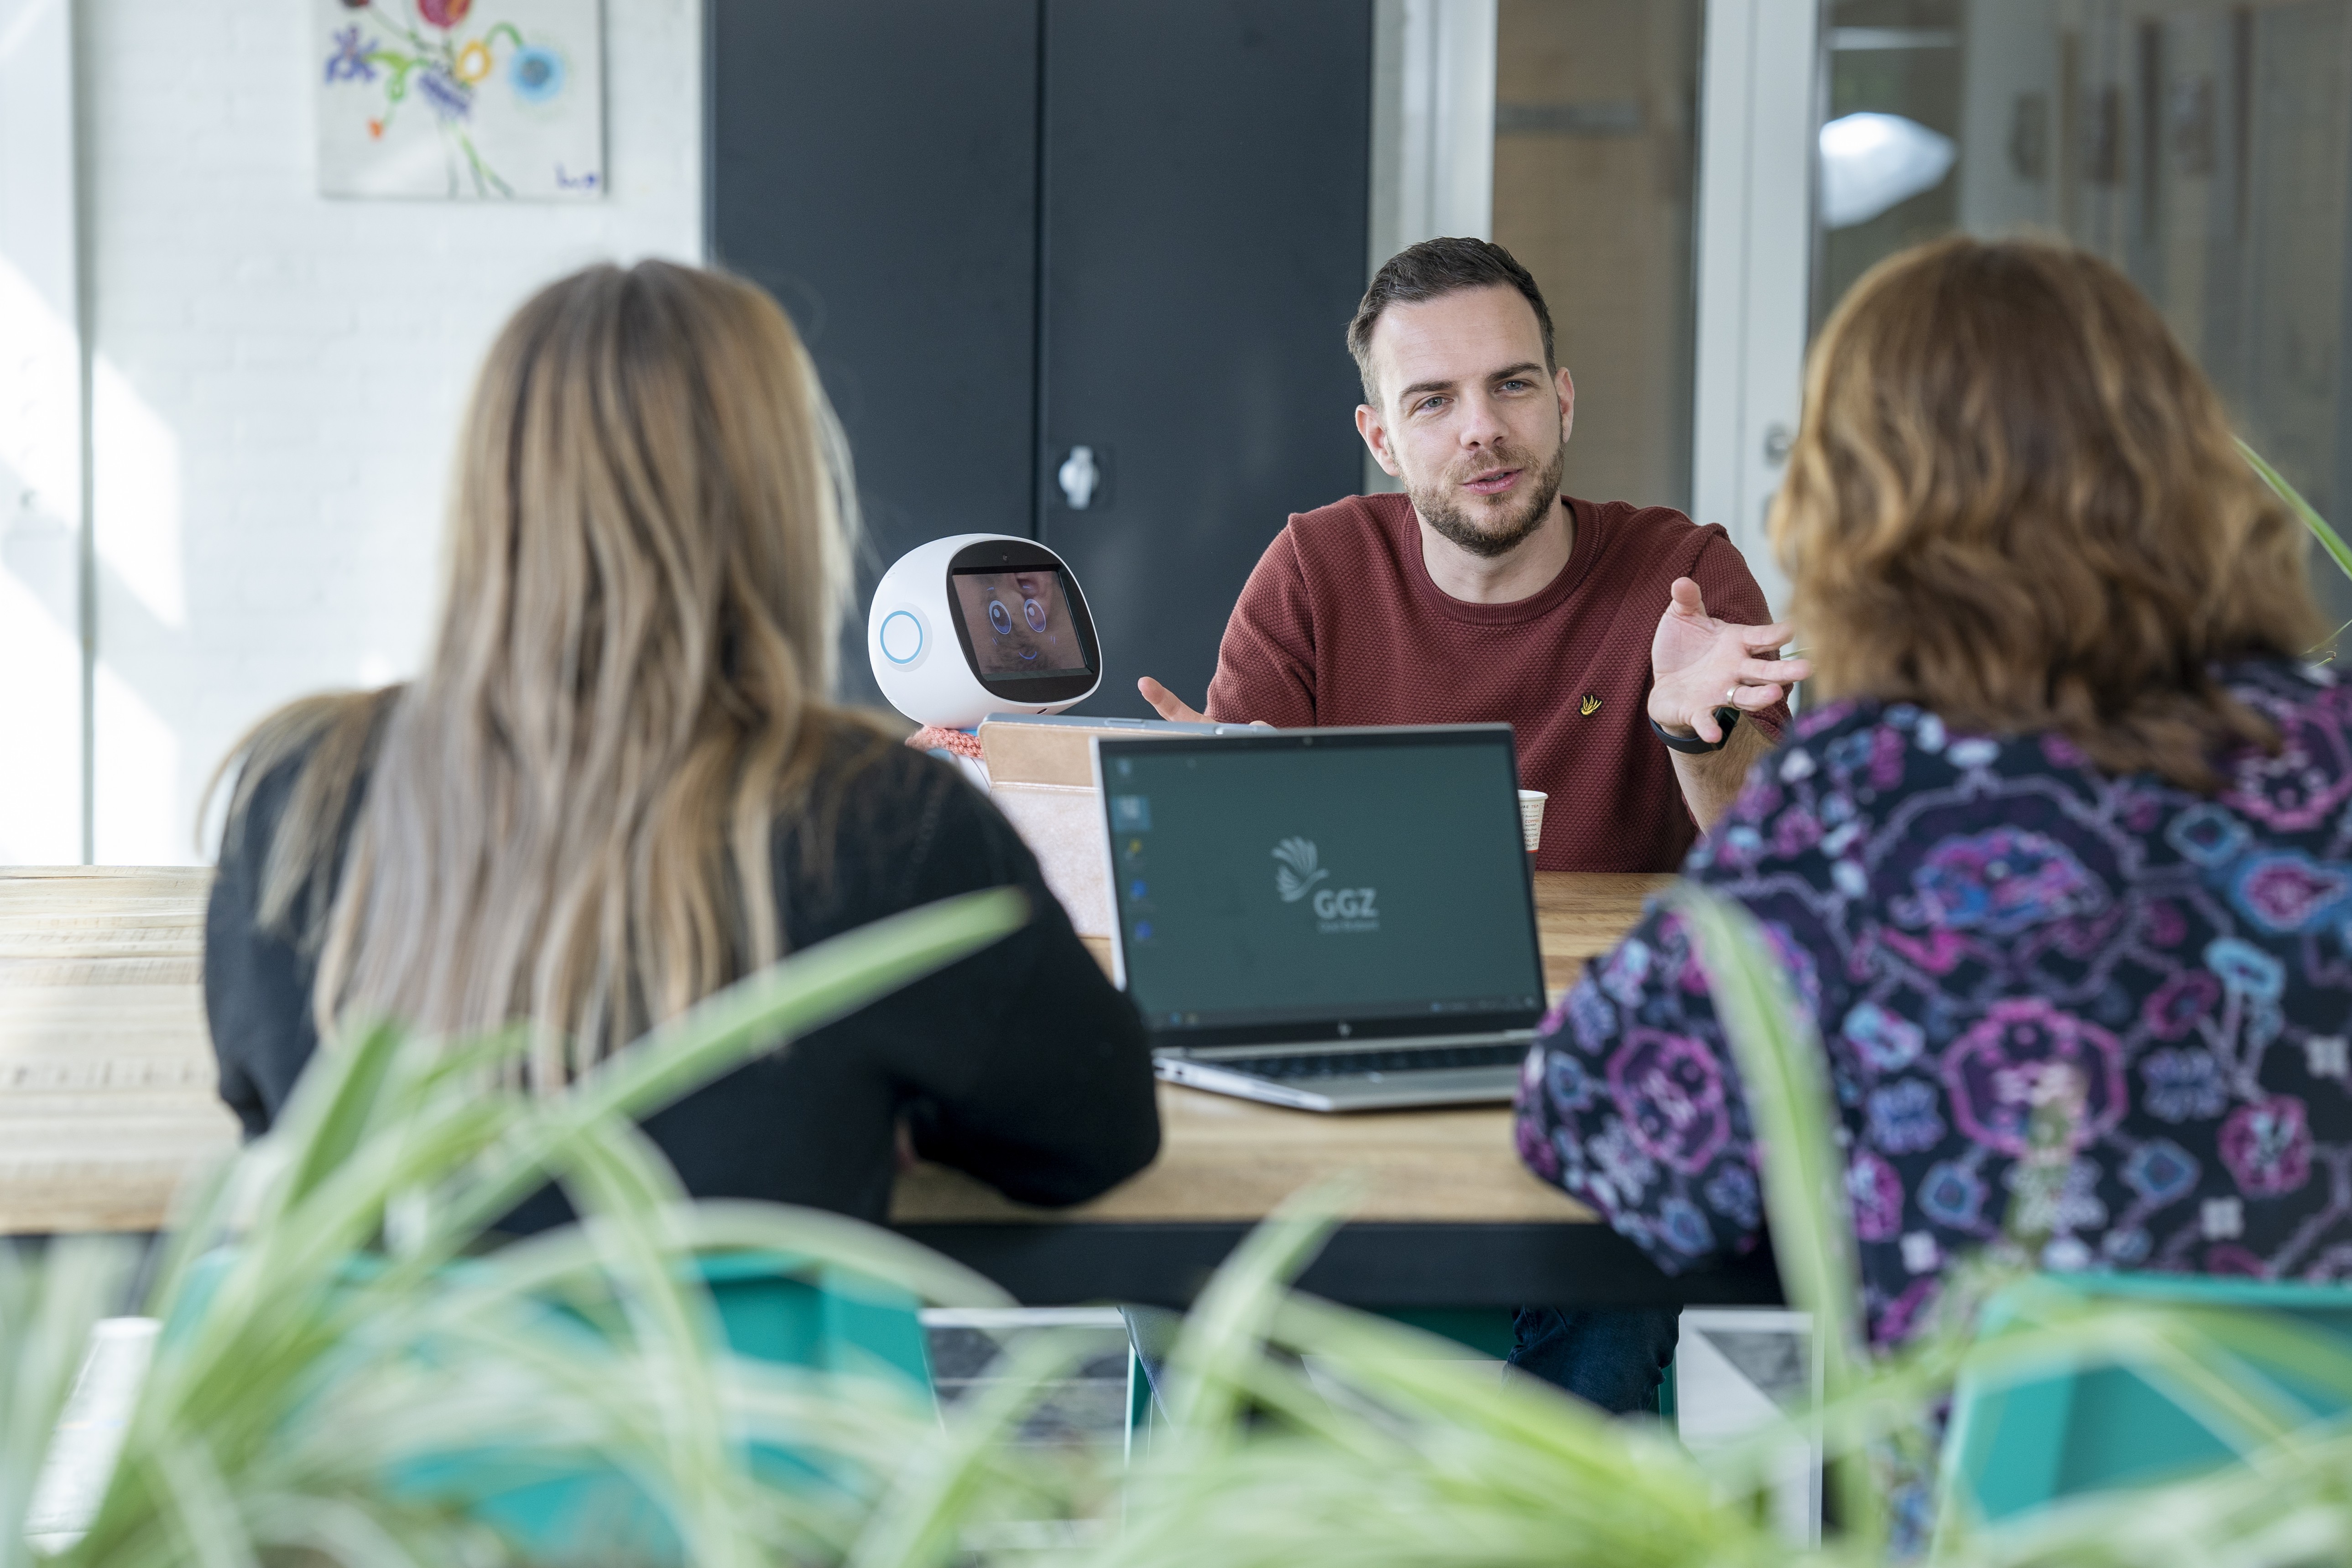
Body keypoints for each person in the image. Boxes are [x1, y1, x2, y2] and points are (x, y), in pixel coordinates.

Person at [1515, 238, 2352, 1361]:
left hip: (1993, 1516)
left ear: (1852, 503)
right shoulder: (2331, 757)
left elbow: (1599, 1126)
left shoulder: (1859, 806)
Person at [204, 261, 1160, 1231]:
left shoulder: (299, 795)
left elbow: (271, 1112)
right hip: (758, 1386)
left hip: (405, 1385)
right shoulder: (888, 821)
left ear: (488, 496)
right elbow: (1095, 1137)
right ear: (785, 499)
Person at [1142, 238, 1804, 1412]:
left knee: (1612, 1293)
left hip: (1615, 1088)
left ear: (1560, 399)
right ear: (1383, 438)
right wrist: (1197, 808)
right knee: (1185, 1275)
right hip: (1350, 1082)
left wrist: (1698, 734)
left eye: (1508, 385)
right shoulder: (1312, 569)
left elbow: (1780, 881)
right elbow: (1225, 910)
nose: (1479, 429)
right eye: (1432, 401)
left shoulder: (1682, 576)